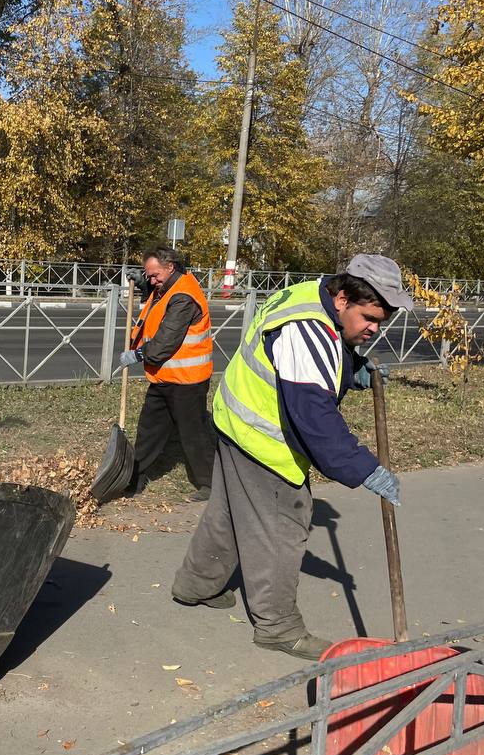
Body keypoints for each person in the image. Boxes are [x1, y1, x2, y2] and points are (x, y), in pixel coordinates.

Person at [171, 254, 412, 660]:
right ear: (342, 300)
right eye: (369, 318)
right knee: (284, 525)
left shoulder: (310, 294)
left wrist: (349, 368)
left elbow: (312, 358)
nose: (374, 329)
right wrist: (364, 468)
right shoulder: (307, 330)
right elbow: (314, 419)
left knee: (229, 512)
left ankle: (196, 584)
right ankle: (278, 627)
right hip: (265, 439)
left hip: (236, 419)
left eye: (380, 322)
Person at [119, 245, 215, 500]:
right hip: (165, 377)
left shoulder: (185, 296)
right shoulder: (167, 287)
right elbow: (158, 301)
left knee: (192, 432)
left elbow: (166, 340)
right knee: (149, 428)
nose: (152, 279)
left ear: (170, 267)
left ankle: (210, 483)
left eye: (154, 275)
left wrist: (138, 354)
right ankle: (134, 478)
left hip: (187, 380)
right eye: (148, 275)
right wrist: (145, 286)